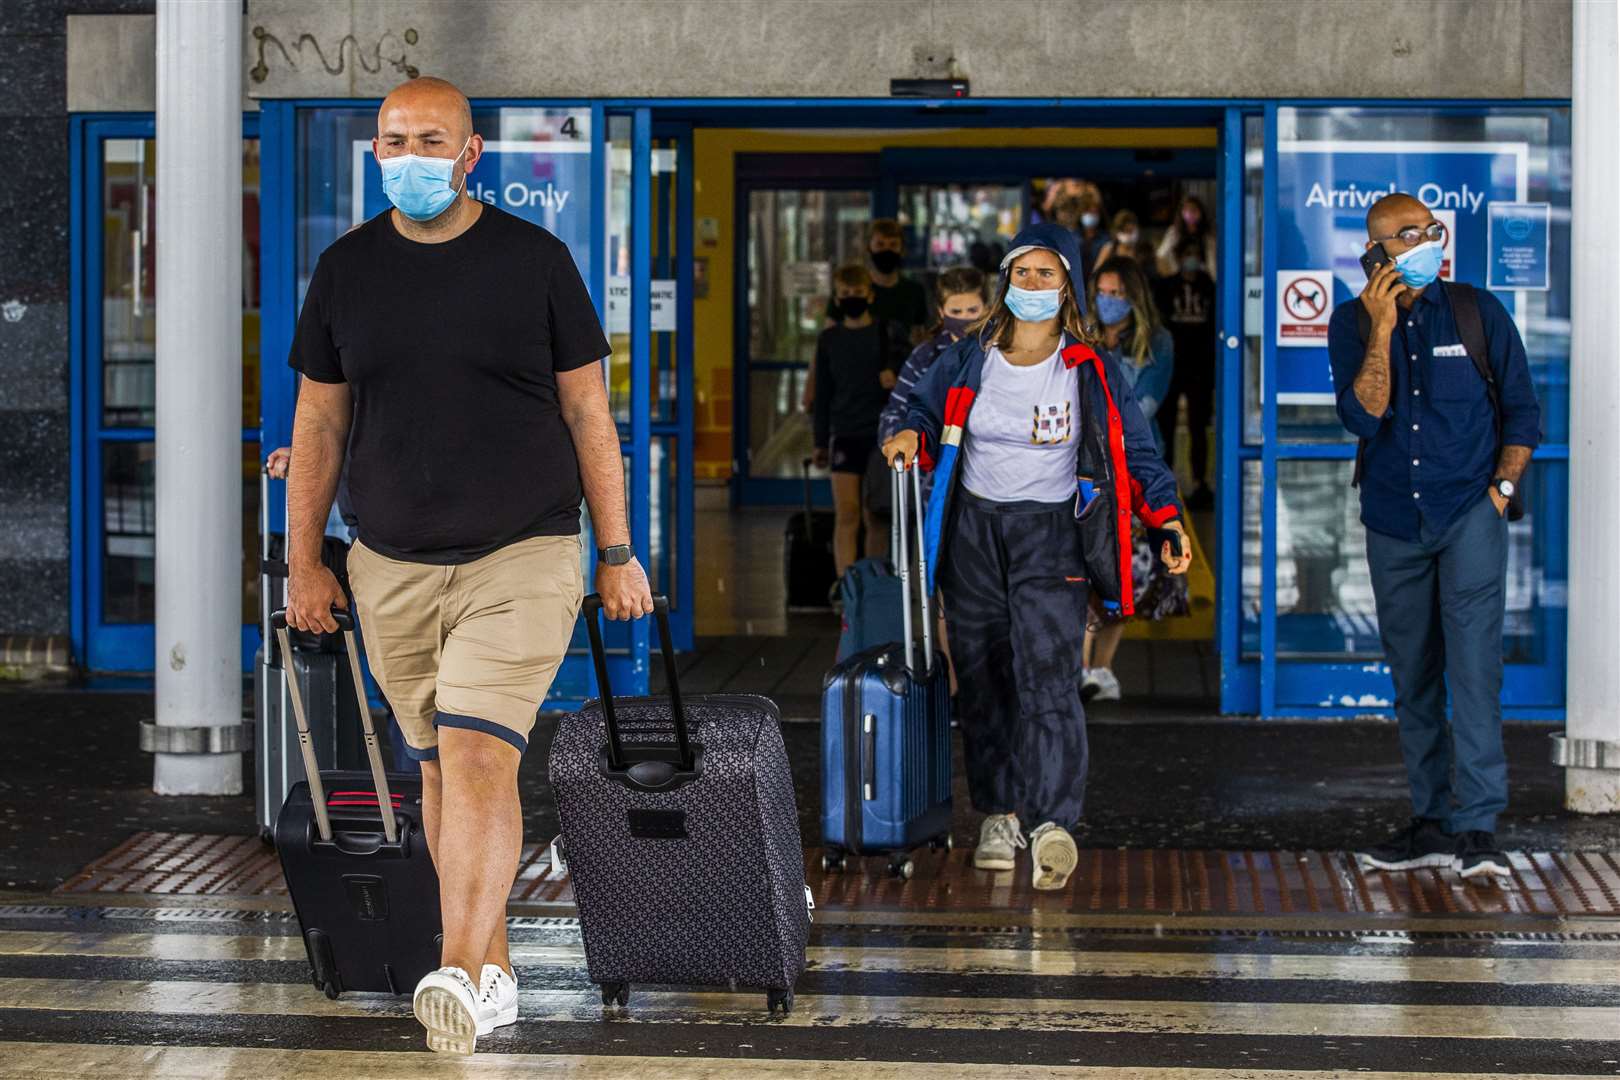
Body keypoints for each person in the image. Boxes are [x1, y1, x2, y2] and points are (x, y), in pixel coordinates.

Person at [282, 76, 653, 1056]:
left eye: (430, 139)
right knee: (440, 767)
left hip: (523, 552)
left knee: (484, 751)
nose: (410, 156)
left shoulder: (535, 262)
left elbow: (587, 415)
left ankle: (454, 969)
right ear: (375, 152)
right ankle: (490, 975)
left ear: (471, 152)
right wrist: (303, 561)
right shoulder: (346, 270)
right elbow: (318, 419)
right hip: (389, 562)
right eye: (394, 140)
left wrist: (614, 553)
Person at [882, 223, 1189, 891]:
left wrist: (1166, 520)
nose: (1031, 285)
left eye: (1046, 275)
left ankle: (1053, 824)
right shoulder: (968, 359)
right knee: (986, 681)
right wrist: (909, 435)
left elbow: (1135, 454)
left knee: (1049, 678)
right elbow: (917, 417)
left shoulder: (1089, 367)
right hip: (973, 537)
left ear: (1067, 286)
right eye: (1022, 273)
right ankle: (999, 814)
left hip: (1052, 538)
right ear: (1005, 283)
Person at [1328, 192, 1539, 882]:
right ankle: (1430, 821)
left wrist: (1501, 492)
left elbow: (1522, 412)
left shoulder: (1479, 312)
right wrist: (1383, 327)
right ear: (1375, 252)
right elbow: (1363, 420)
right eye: (1406, 233)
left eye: (1429, 228)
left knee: (1475, 673)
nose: (1424, 240)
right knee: (1413, 675)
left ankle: (1477, 826)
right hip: (1394, 522)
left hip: (1468, 516)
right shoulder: (1353, 322)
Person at [876, 265, 988, 697]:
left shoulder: (1000, 351)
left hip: (990, 483)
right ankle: (959, 689)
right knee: (946, 591)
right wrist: (902, 444)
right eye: (955, 309)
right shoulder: (925, 358)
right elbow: (895, 415)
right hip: (937, 487)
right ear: (941, 312)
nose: (964, 316)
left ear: (988, 306)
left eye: (972, 309)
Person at [1081, 256, 1184, 702]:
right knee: (1081, 573)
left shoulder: (1156, 342)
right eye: (1103, 292)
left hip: (1133, 471)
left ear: (1135, 297)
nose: (1109, 301)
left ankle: (1102, 669)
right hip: (1083, 471)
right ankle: (1080, 668)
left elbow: (1143, 407)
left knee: (1124, 575)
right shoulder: (1080, 336)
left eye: (1118, 294)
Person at [813, 263, 908, 578]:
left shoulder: (889, 333)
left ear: (869, 295)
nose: (851, 299)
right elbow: (823, 394)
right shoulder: (829, 340)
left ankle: (873, 582)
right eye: (845, 294)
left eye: (857, 293)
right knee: (847, 513)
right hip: (844, 432)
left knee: (876, 514)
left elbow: (910, 383)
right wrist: (819, 440)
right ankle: (847, 586)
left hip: (881, 435)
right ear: (837, 300)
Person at [1155, 235, 1219, 509]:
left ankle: (1200, 483)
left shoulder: (1209, 287)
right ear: (1179, 258)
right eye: (1186, 254)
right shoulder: (1166, 287)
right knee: (1166, 424)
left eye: (1196, 253)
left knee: (1198, 427)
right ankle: (1163, 481)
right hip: (1173, 363)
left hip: (1200, 366)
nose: (1191, 260)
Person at [1155, 194, 1218, 281]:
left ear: (1201, 212)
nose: (1190, 213)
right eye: (1186, 209)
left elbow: (1213, 261)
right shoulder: (1174, 232)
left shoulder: (1208, 235)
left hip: (1203, 277)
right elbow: (1161, 254)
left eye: (1194, 210)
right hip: (1180, 276)